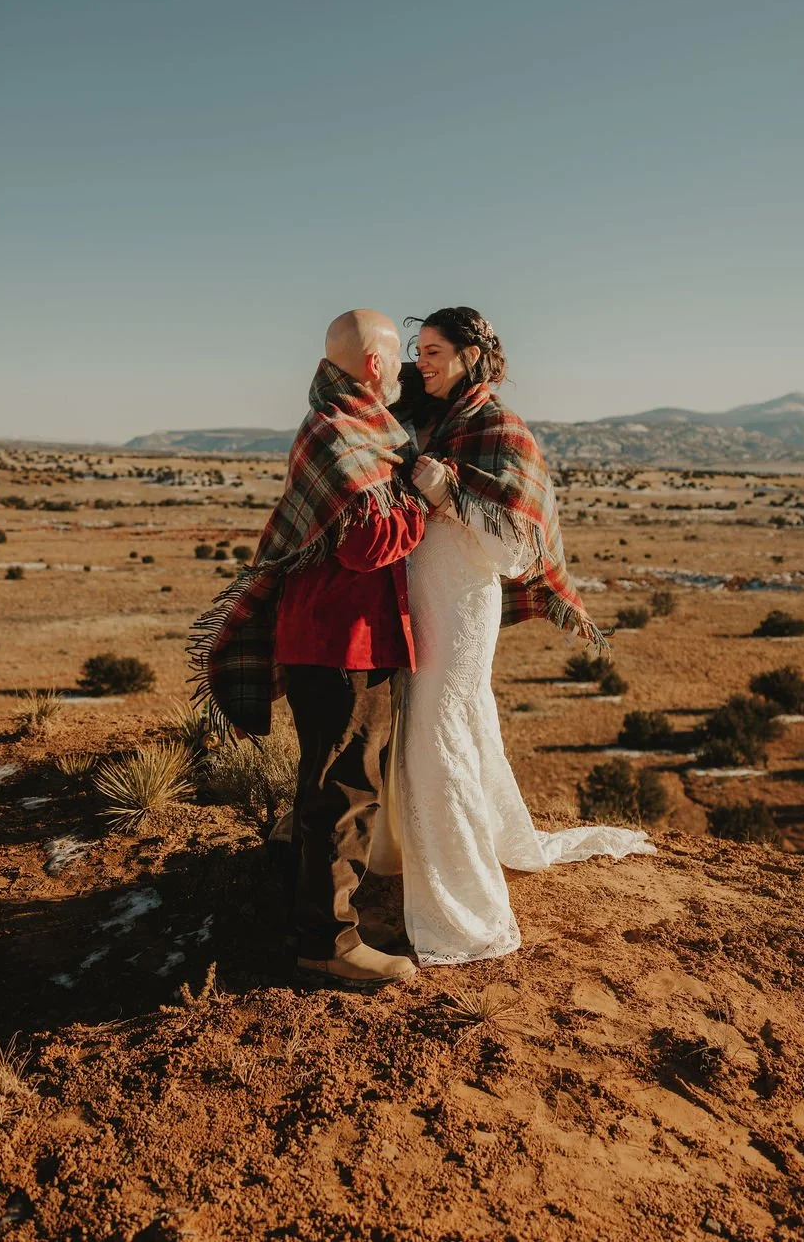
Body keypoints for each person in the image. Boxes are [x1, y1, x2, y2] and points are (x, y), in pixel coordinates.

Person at [370, 306, 655, 965]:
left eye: (435, 348)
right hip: (421, 598)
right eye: (419, 349)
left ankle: (466, 911)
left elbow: (514, 551)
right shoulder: (435, 422)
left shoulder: (503, 429)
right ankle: (422, 855)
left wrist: (447, 492)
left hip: (462, 604)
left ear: (473, 354)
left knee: (438, 734)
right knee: (440, 727)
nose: (423, 360)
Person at [189, 310, 425, 987]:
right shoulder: (340, 429)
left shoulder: (349, 421)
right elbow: (366, 542)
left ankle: (313, 916)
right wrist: (422, 500)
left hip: (342, 637)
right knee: (345, 788)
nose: (404, 369)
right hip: (340, 641)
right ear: (376, 365)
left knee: (332, 782)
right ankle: (329, 942)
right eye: (397, 358)